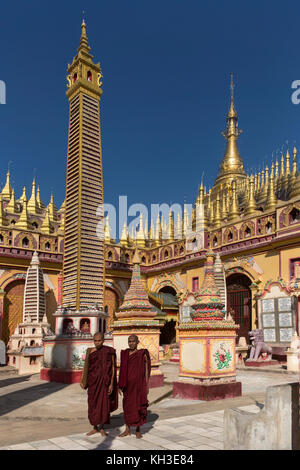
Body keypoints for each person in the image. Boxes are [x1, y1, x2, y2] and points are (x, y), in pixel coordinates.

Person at [80, 332, 118, 436]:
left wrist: (111, 384)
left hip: (104, 383)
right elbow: (86, 367)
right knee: (92, 404)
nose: (97, 343)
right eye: (95, 341)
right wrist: (83, 380)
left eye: (99, 340)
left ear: (103, 340)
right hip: (93, 382)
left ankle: (102, 427)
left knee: (103, 405)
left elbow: (113, 368)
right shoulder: (90, 351)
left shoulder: (109, 351)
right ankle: (95, 427)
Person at [118, 334, 151, 439]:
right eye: (129, 341)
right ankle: (127, 429)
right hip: (127, 386)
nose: (131, 343)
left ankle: (137, 430)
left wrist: (146, 384)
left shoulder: (142, 354)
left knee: (138, 407)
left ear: (137, 342)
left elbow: (146, 370)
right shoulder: (125, 354)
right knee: (127, 408)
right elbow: (122, 370)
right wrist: (120, 384)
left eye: (133, 341)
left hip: (138, 386)